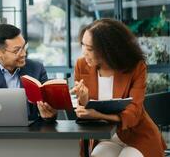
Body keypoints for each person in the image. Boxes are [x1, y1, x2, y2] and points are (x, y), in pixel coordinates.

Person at [71, 18, 166, 157]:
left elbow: (133, 113)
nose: (84, 52)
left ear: (108, 50)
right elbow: (84, 113)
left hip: (137, 136)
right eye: (83, 45)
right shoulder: (82, 65)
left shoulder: (136, 67)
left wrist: (99, 115)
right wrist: (83, 100)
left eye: (89, 48)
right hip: (105, 138)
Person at [0, 24, 57, 120]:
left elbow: (48, 111)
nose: (24, 54)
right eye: (17, 51)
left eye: (24, 47)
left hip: (31, 132)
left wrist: (49, 115)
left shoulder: (37, 69)